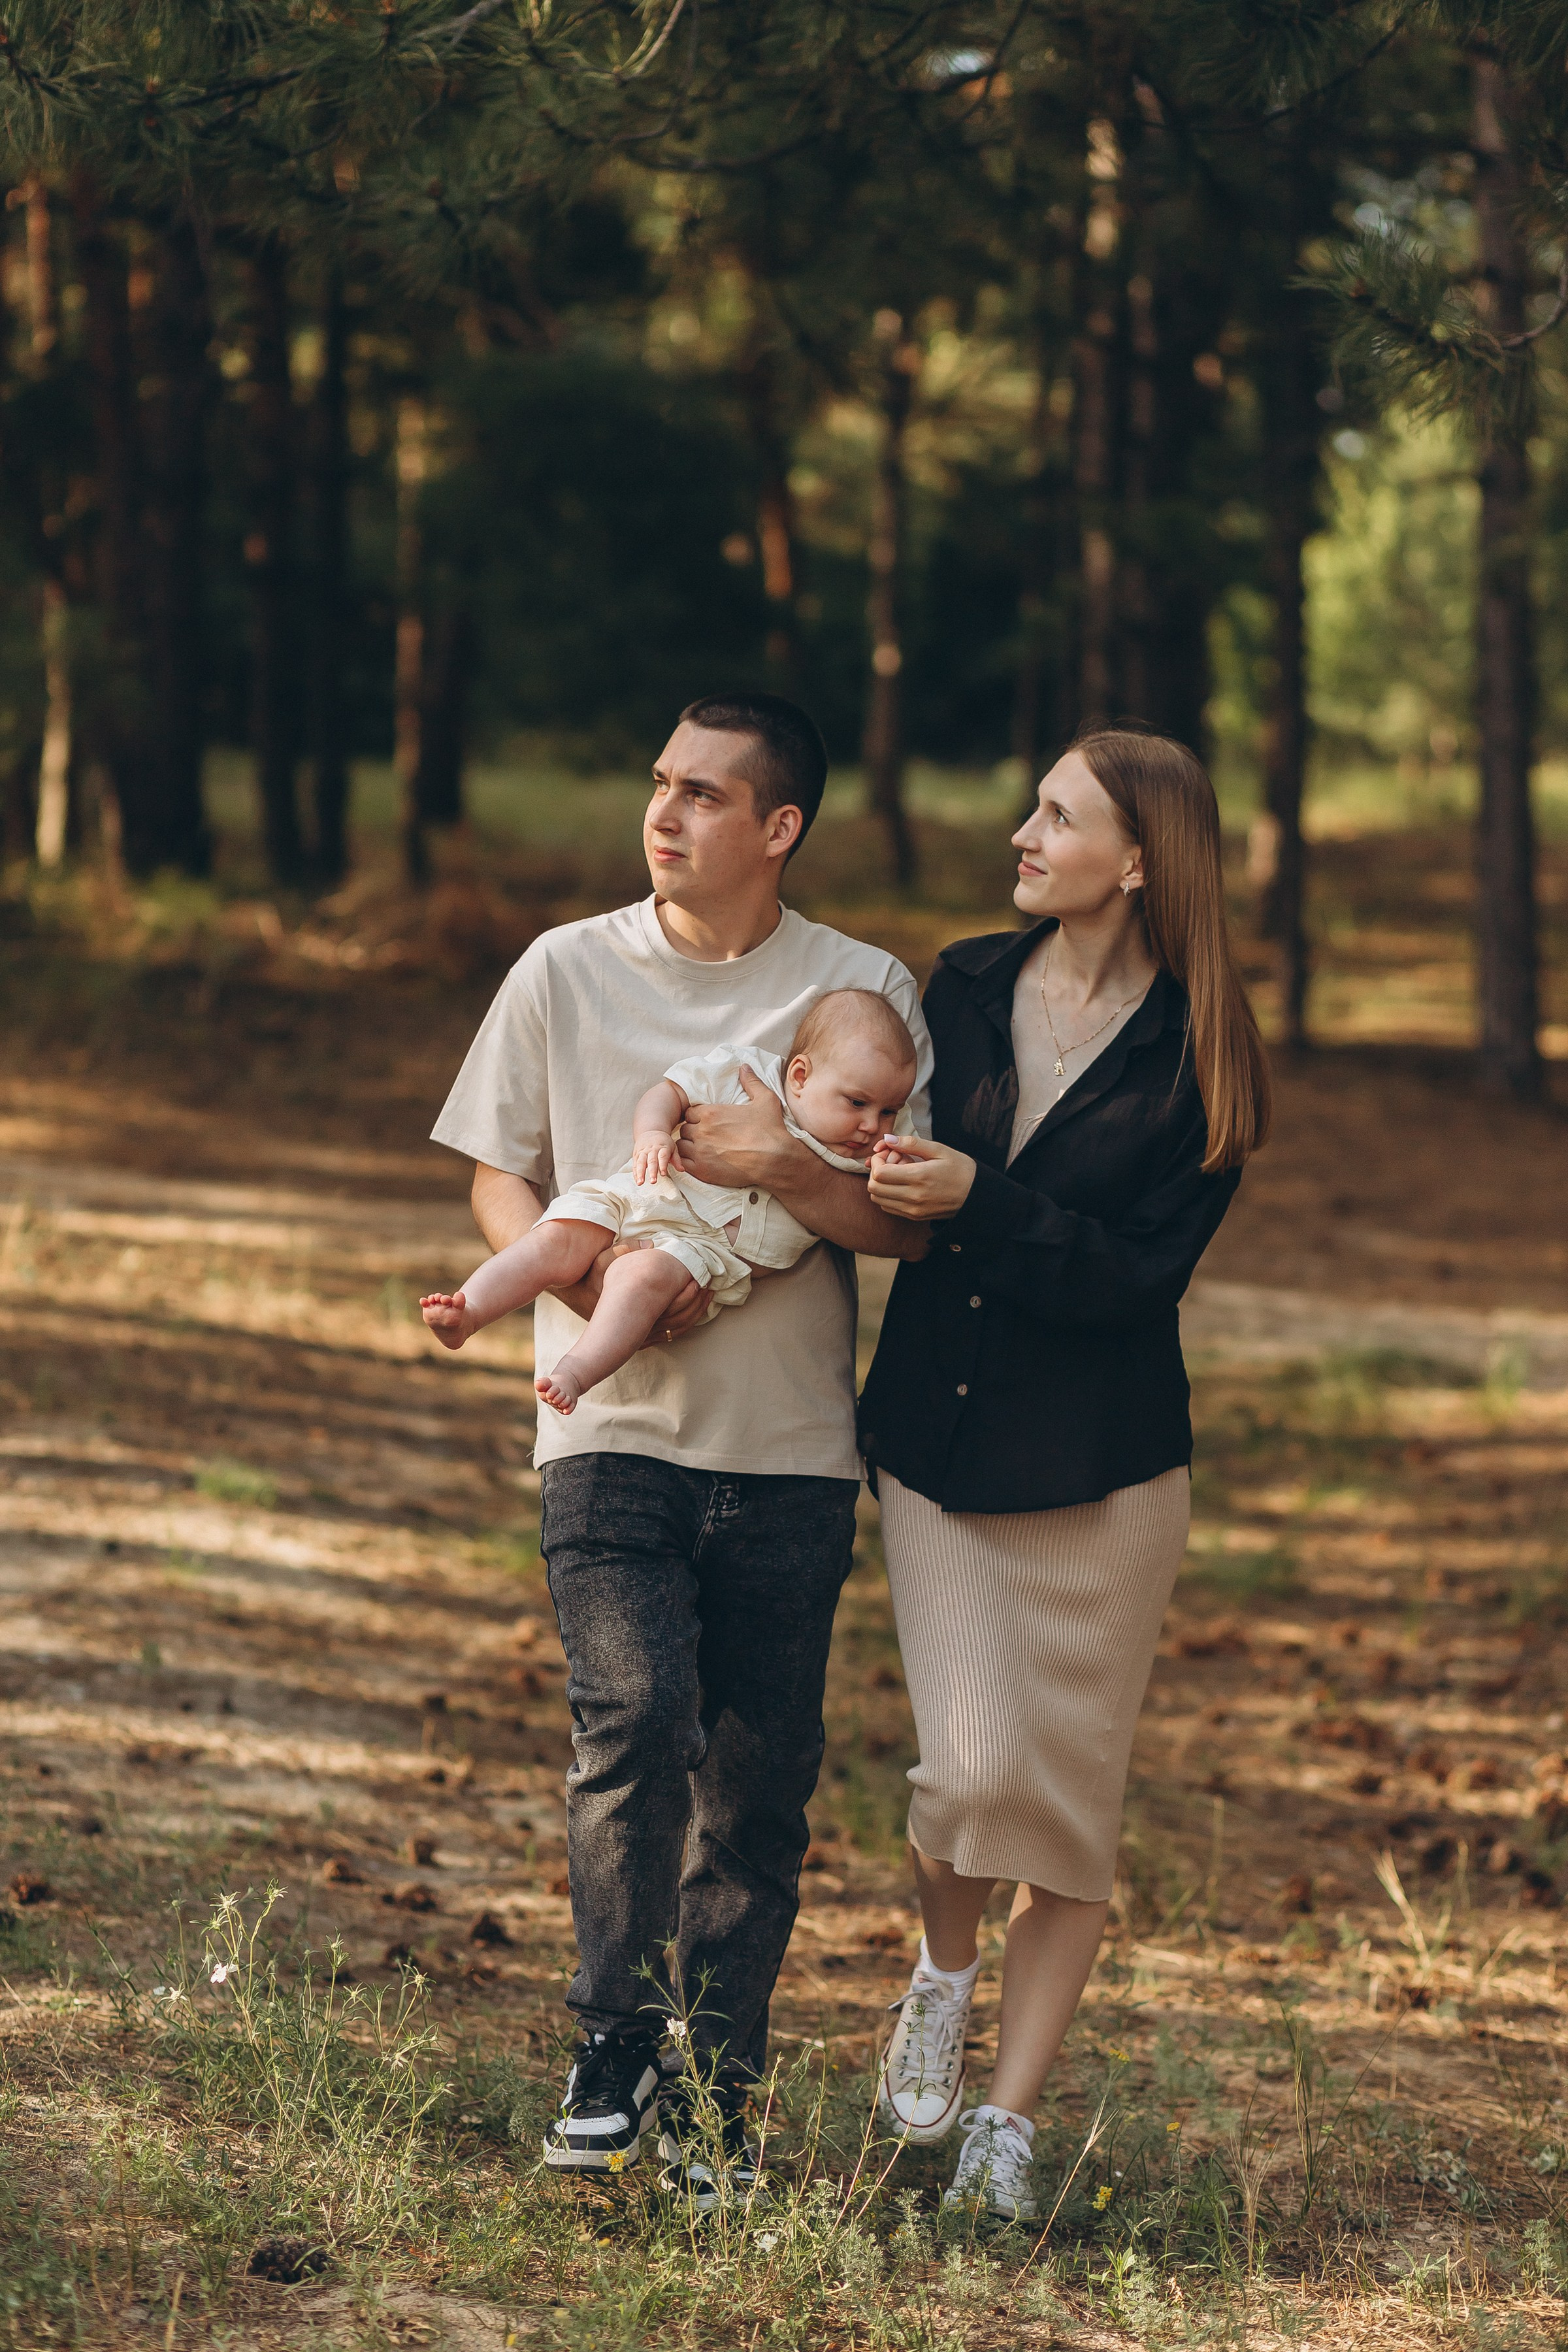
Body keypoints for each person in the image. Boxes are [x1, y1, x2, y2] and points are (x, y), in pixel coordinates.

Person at [429, 692, 932, 2199]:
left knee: (757, 1789)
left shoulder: (861, 989)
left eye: (703, 793)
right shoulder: (563, 969)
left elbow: (896, 1222)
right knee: (632, 1723)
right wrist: (584, 1282)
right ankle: (609, 2038)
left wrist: (784, 1160)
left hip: (786, 1452)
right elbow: (493, 1177)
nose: (663, 812)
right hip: (605, 1429)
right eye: (657, 782)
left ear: (776, 827)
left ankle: (714, 2091)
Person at [858, 725, 1270, 2221]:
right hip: (935, 1443)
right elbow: (878, 1156)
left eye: (1054, 813)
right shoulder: (959, 984)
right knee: (968, 1772)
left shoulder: (1201, 1055)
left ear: (1138, 860)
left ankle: (1007, 2124)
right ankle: (939, 1974)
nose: (1019, 832)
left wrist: (983, 1198)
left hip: (1101, 1473)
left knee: (1067, 1808)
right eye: (1027, 804)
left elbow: (1133, 1280)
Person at [419, 989, 919, 1416]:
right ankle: (470, 1309)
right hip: (645, 1189)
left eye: (890, 1110)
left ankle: (575, 1370)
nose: (873, 1125)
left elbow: (901, 1215)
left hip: (700, 1252)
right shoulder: (743, 1072)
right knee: (555, 1238)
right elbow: (669, 1092)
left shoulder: (874, 1150)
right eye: (857, 1104)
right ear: (802, 1076)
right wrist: (654, 1133)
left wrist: (894, 1170)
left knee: (638, 1279)